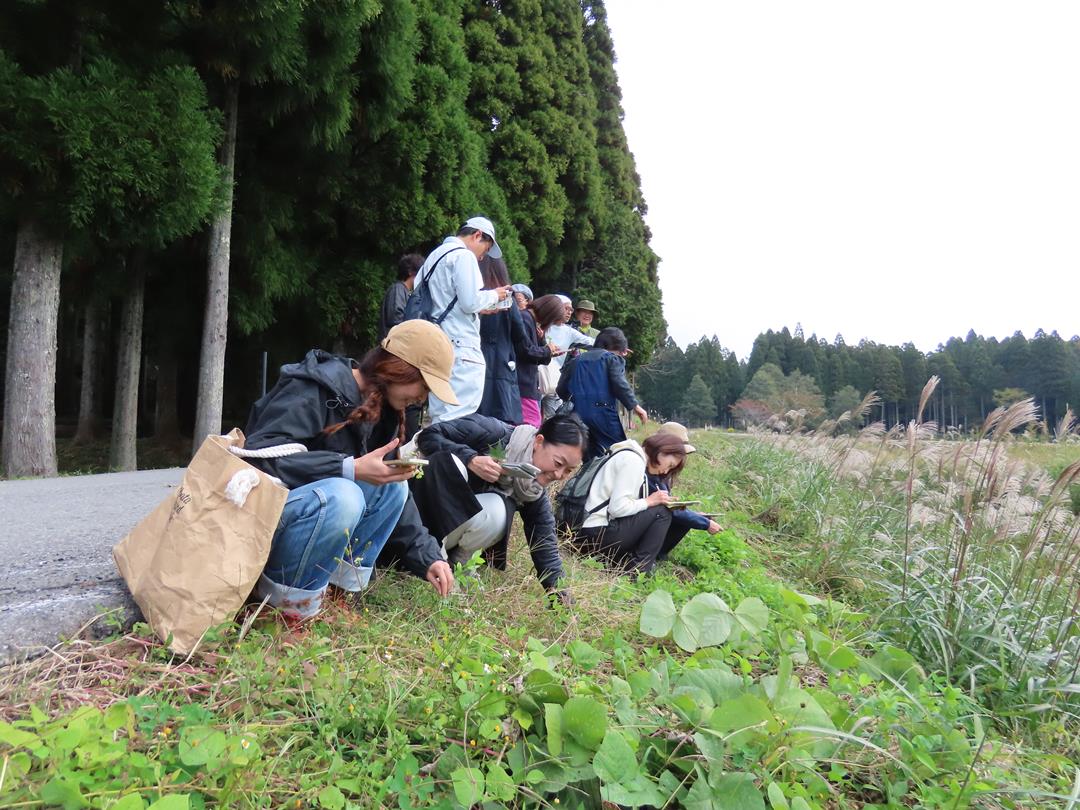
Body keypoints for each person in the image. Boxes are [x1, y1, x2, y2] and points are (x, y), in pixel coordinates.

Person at [242, 321, 456, 619]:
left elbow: (396, 498)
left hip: (303, 523)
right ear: (399, 368)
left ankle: (332, 596)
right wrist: (348, 469)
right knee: (344, 495)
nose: (423, 399)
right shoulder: (313, 387)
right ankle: (283, 612)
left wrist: (429, 557)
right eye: (424, 386)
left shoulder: (384, 409)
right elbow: (257, 458)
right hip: (261, 523)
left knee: (393, 487)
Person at [411, 412, 588, 604]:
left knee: (498, 510)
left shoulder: (533, 490)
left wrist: (560, 597)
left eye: (568, 471)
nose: (558, 474)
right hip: (416, 514)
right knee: (453, 464)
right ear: (539, 441)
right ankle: (432, 557)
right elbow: (428, 436)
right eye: (558, 463)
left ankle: (457, 566)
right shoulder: (493, 432)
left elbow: (545, 543)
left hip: (444, 533)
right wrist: (470, 459)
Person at [412, 216, 513, 422]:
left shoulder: (434, 256)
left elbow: (438, 298)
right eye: (485, 249)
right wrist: (496, 295)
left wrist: (479, 308)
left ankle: (435, 450)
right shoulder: (464, 256)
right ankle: (448, 451)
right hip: (459, 342)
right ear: (477, 235)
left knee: (440, 408)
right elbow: (470, 301)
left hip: (434, 340)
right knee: (459, 409)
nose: (483, 257)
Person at [570, 432, 688, 575]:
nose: (665, 471)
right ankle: (636, 571)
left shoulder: (626, 452)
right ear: (662, 450)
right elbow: (617, 508)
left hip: (585, 531)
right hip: (595, 535)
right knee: (661, 512)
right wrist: (649, 501)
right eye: (669, 465)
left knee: (657, 509)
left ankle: (627, 563)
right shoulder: (634, 461)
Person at [557, 326, 648, 460]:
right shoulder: (611, 359)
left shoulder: (575, 361)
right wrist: (635, 406)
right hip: (603, 413)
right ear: (618, 349)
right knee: (621, 453)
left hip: (577, 414)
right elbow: (619, 384)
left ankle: (592, 479)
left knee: (591, 458)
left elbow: (561, 389)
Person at [647, 422, 722, 561]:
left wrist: (695, 516)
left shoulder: (663, 470)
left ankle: (656, 554)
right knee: (680, 517)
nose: (681, 458)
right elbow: (668, 509)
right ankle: (652, 556)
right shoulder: (652, 470)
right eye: (678, 453)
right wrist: (705, 523)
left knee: (686, 516)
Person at [477, 256, 528, 424]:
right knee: (499, 428)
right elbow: (520, 335)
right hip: (502, 369)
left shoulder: (473, 298)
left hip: (475, 365)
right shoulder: (507, 300)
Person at [541, 294, 594, 419]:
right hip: (535, 379)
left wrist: (614, 344)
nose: (569, 312)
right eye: (566, 308)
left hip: (553, 380)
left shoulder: (569, 331)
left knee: (554, 419)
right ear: (555, 307)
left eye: (571, 310)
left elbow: (591, 342)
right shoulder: (540, 325)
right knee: (531, 416)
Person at [511, 285, 555, 428]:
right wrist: (547, 350)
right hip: (523, 383)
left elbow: (538, 355)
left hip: (528, 384)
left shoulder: (529, 320)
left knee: (531, 425)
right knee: (530, 427)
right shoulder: (525, 318)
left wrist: (544, 345)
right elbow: (525, 350)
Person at [378, 253, 424, 340]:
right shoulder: (398, 289)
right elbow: (395, 318)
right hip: (392, 346)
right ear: (410, 272)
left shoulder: (406, 292)